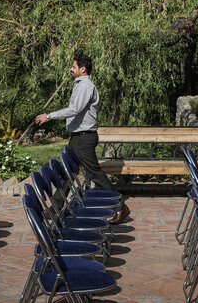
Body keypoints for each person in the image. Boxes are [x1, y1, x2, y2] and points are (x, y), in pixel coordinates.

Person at [35, 55, 130, 224]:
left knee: (95, 173)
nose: (71, 69)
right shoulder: (80, 85)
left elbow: (75, 109)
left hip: (84, 138)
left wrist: (49, 116)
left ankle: (120, 206)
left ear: (82, 69)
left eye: (74, 66)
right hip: (78, 137)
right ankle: (56, 206)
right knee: (68, 173)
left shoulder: (86, 86)